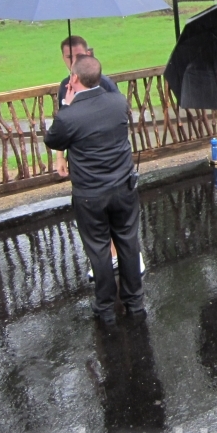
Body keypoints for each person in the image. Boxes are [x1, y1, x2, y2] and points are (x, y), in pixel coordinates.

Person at [44, 55, 145, 324]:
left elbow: (52, 138)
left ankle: (105, 307)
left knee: (99, 249)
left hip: (90, 194)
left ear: (73, 79)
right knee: (127, 241)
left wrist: (65, 106)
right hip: (124, 187)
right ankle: (135, 302)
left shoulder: (69, 115)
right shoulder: (118, 102)